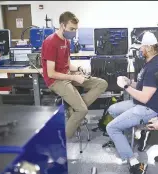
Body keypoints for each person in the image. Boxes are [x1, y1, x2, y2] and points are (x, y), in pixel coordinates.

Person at [106, 32, 158, 174]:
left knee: (111, 128)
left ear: (148, 47)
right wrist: (129, 81)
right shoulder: (150, 62)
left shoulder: (156, 66)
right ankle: (127, 141)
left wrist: (126, 86)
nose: (139, 50)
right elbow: (142, 87)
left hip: (150, 108)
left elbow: (144, 96)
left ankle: (136, 164)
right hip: (144, 103)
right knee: (112, 109)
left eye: (141, 47)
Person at [41, 11, 108, 139]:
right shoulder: (50, 42)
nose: (73, 32)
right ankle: (62, 142)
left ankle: (73, 109)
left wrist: (78, 69)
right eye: (71, 29)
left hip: (67, 75)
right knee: (82, 110)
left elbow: (67, 65)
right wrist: (73, 77)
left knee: (101, 84)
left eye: (75, 29)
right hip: (55, 81)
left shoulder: (66, 41)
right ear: (62, 25)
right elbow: (51, 73)